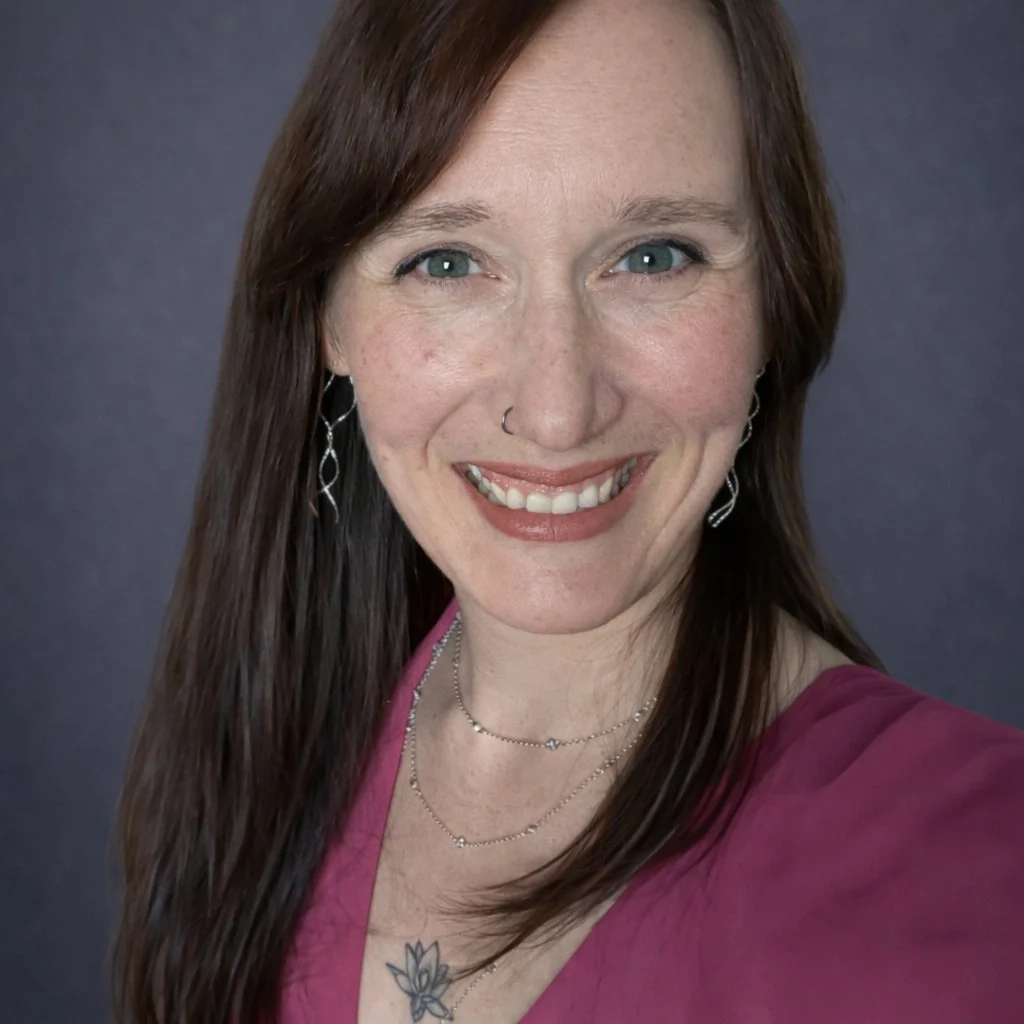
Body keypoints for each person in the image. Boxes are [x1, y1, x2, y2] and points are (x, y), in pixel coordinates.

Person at [111, 0, 1024, 1021]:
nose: (555, 409)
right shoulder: (279, 753)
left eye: (653, 256)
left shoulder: (983, 867)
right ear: (330, 319)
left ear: (776, 297)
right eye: (447, 262)